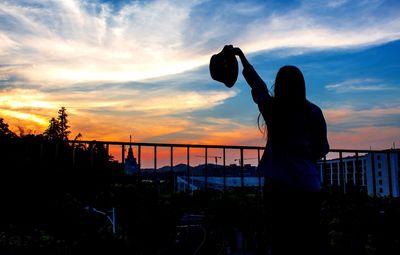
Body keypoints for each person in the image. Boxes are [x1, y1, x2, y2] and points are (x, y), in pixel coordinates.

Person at [226, 45, 330, 255]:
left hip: (279, 185)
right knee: (307, 241)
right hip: (309, 185)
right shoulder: (314, 111)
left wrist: (241, 58)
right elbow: (323, 148)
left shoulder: (274, 109)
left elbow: (257, 85)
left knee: (281, 240)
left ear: (280, 86)